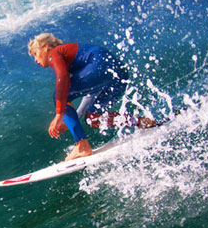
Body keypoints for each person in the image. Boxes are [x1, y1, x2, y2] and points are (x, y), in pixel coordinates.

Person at [28, 32, 157, 160]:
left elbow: (62, 78)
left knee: (58, 97)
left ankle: (82, 145)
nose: (35, 60)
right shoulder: (73, 60)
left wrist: (59, 114)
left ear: (45, 46)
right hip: (118, 71)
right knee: (93, 119)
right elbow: (90, 93)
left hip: (98, 64)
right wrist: (73, 119)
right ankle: (142, 122)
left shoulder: (54, 53)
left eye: (35, 54)